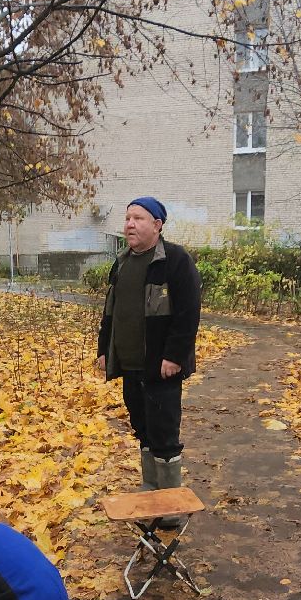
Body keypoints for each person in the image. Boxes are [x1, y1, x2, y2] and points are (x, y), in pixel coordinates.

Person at [94, 197, 202, 508]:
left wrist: (175, 356)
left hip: (161, 368)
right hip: (129, 367)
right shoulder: (122, 262)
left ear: (157, 225)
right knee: (142, 430)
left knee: (164, 436)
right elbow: (111, 313)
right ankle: (151, 491)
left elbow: (188, 314)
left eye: (138, 218)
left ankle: (169, 507)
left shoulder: (176, 260)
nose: (129, 224)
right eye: (127, 218)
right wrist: (104, 350)